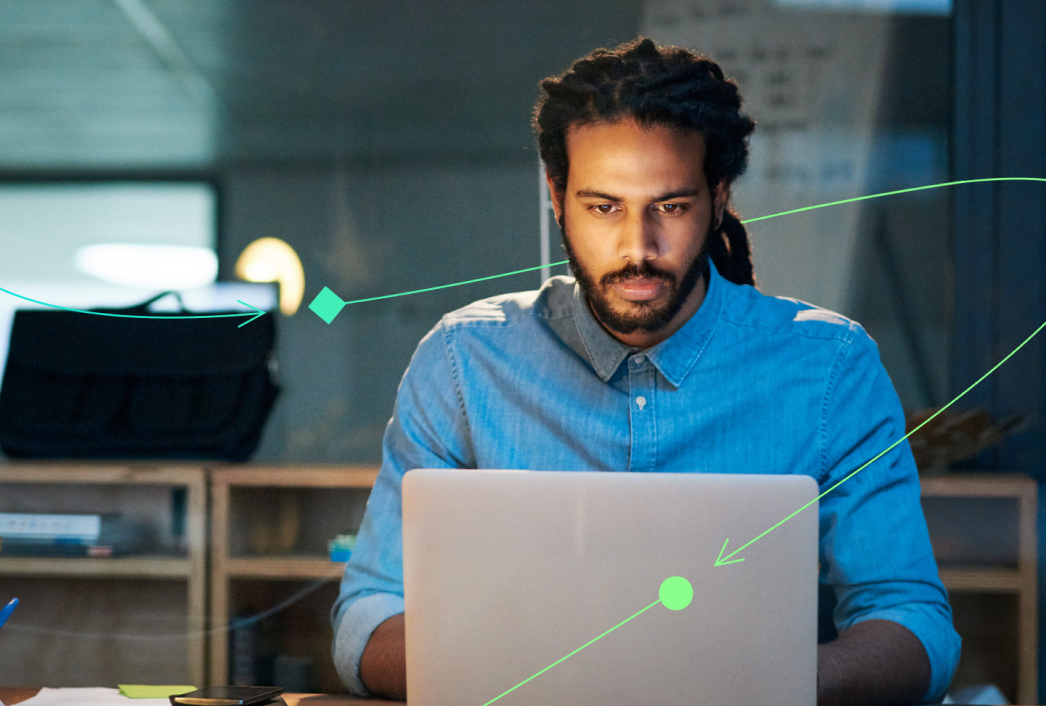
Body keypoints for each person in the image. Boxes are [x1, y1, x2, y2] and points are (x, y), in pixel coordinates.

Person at [330, 37, 959, 706]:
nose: (637, 248)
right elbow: (367, 615)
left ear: (717, 198)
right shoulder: (462, 361)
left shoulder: (831, 367)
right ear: (556, 194)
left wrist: (776, 679)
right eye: (603, 207)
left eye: (670, 207)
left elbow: (912, 620)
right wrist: (515, 668)